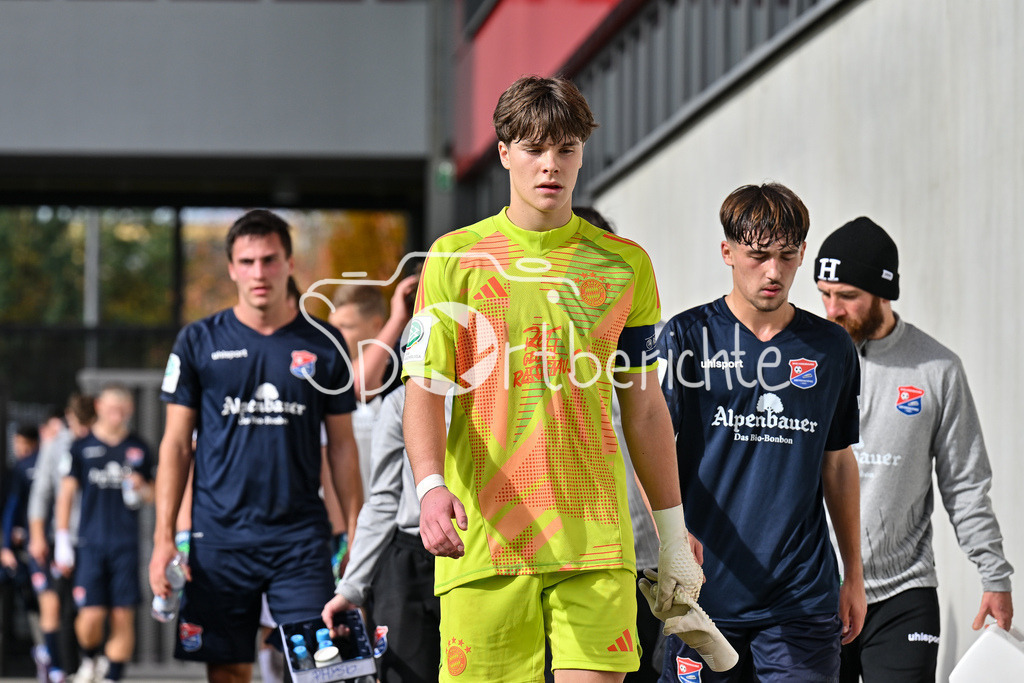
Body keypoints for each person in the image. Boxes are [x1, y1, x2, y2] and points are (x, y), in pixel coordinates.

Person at [383, 75, 712, 682]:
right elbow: (423, 391)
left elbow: (644, 409)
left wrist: (671, 533)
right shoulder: (453, 259)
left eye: (566, 149)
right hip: (483, 540)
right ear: (505, 152)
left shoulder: (624, 263)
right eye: (534, 149)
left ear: (582, 153)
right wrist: (430, 487)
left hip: (596, 544)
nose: (551, 165)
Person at [656, 183, 866, 682]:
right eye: (757, 256)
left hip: (801, 598)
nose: (773, 272)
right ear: (727, 252)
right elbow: (653, 449)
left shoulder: (832, 347)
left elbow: (838, 462)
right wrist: (669, 538)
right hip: (703, 595)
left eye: (786, 256)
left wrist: (854, 575)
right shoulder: (688, 337)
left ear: (801, 256)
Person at [149, 209, 362, 683]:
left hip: (301, 542)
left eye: (269, 259)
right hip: (219, 541)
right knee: (228, 670)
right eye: (247, 262)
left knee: (326, 671)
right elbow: (176, 445)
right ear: (231, 267)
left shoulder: (325, 343)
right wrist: (164, 536)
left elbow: (343, 447)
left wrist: (355, 530)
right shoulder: (197, 341)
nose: (259, 273)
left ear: (289, 262)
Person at [814, 217, 1014, 682]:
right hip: (819, 592)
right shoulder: (812, 361)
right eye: (825, 294)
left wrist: (994, 576)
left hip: (904, 596)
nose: (832, 309)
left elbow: (965, 485)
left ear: (883, 292)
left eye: (846, 296)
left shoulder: (937, 369)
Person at [574, 206, 663, 683]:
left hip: (641, 560)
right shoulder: (533, 358)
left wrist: (673, 535)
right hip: (569, 555)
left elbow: (656, 441)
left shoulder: (641, 354)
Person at [322, 382, 445, 683]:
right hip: (409, 557)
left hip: (485, 554)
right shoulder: (400, 400)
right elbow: (383, 500)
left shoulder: (501, 392)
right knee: (399, 673)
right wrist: (351, 588)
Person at [54, 385, 156, 683]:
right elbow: (66, 494)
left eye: (123, 409)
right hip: (91, 543)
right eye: (112, 408)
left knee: (123, 615)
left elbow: (154, 493)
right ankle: (89, 660)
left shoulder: (138, 447)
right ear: (99, 406)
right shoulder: (81, 447)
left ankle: (113, 676)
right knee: (91, 615)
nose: (118, 415)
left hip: (125, 543)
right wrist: (62, 538)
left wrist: (141, 489)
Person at [28, 396, 96, 683]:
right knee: (60, 603)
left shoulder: (106, 443)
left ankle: (92, 661)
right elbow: (42, 494)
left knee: (93, 607)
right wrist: (37, 536)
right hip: (63, 537)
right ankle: (62, 667)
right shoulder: (57, 445)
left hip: (96, 538)